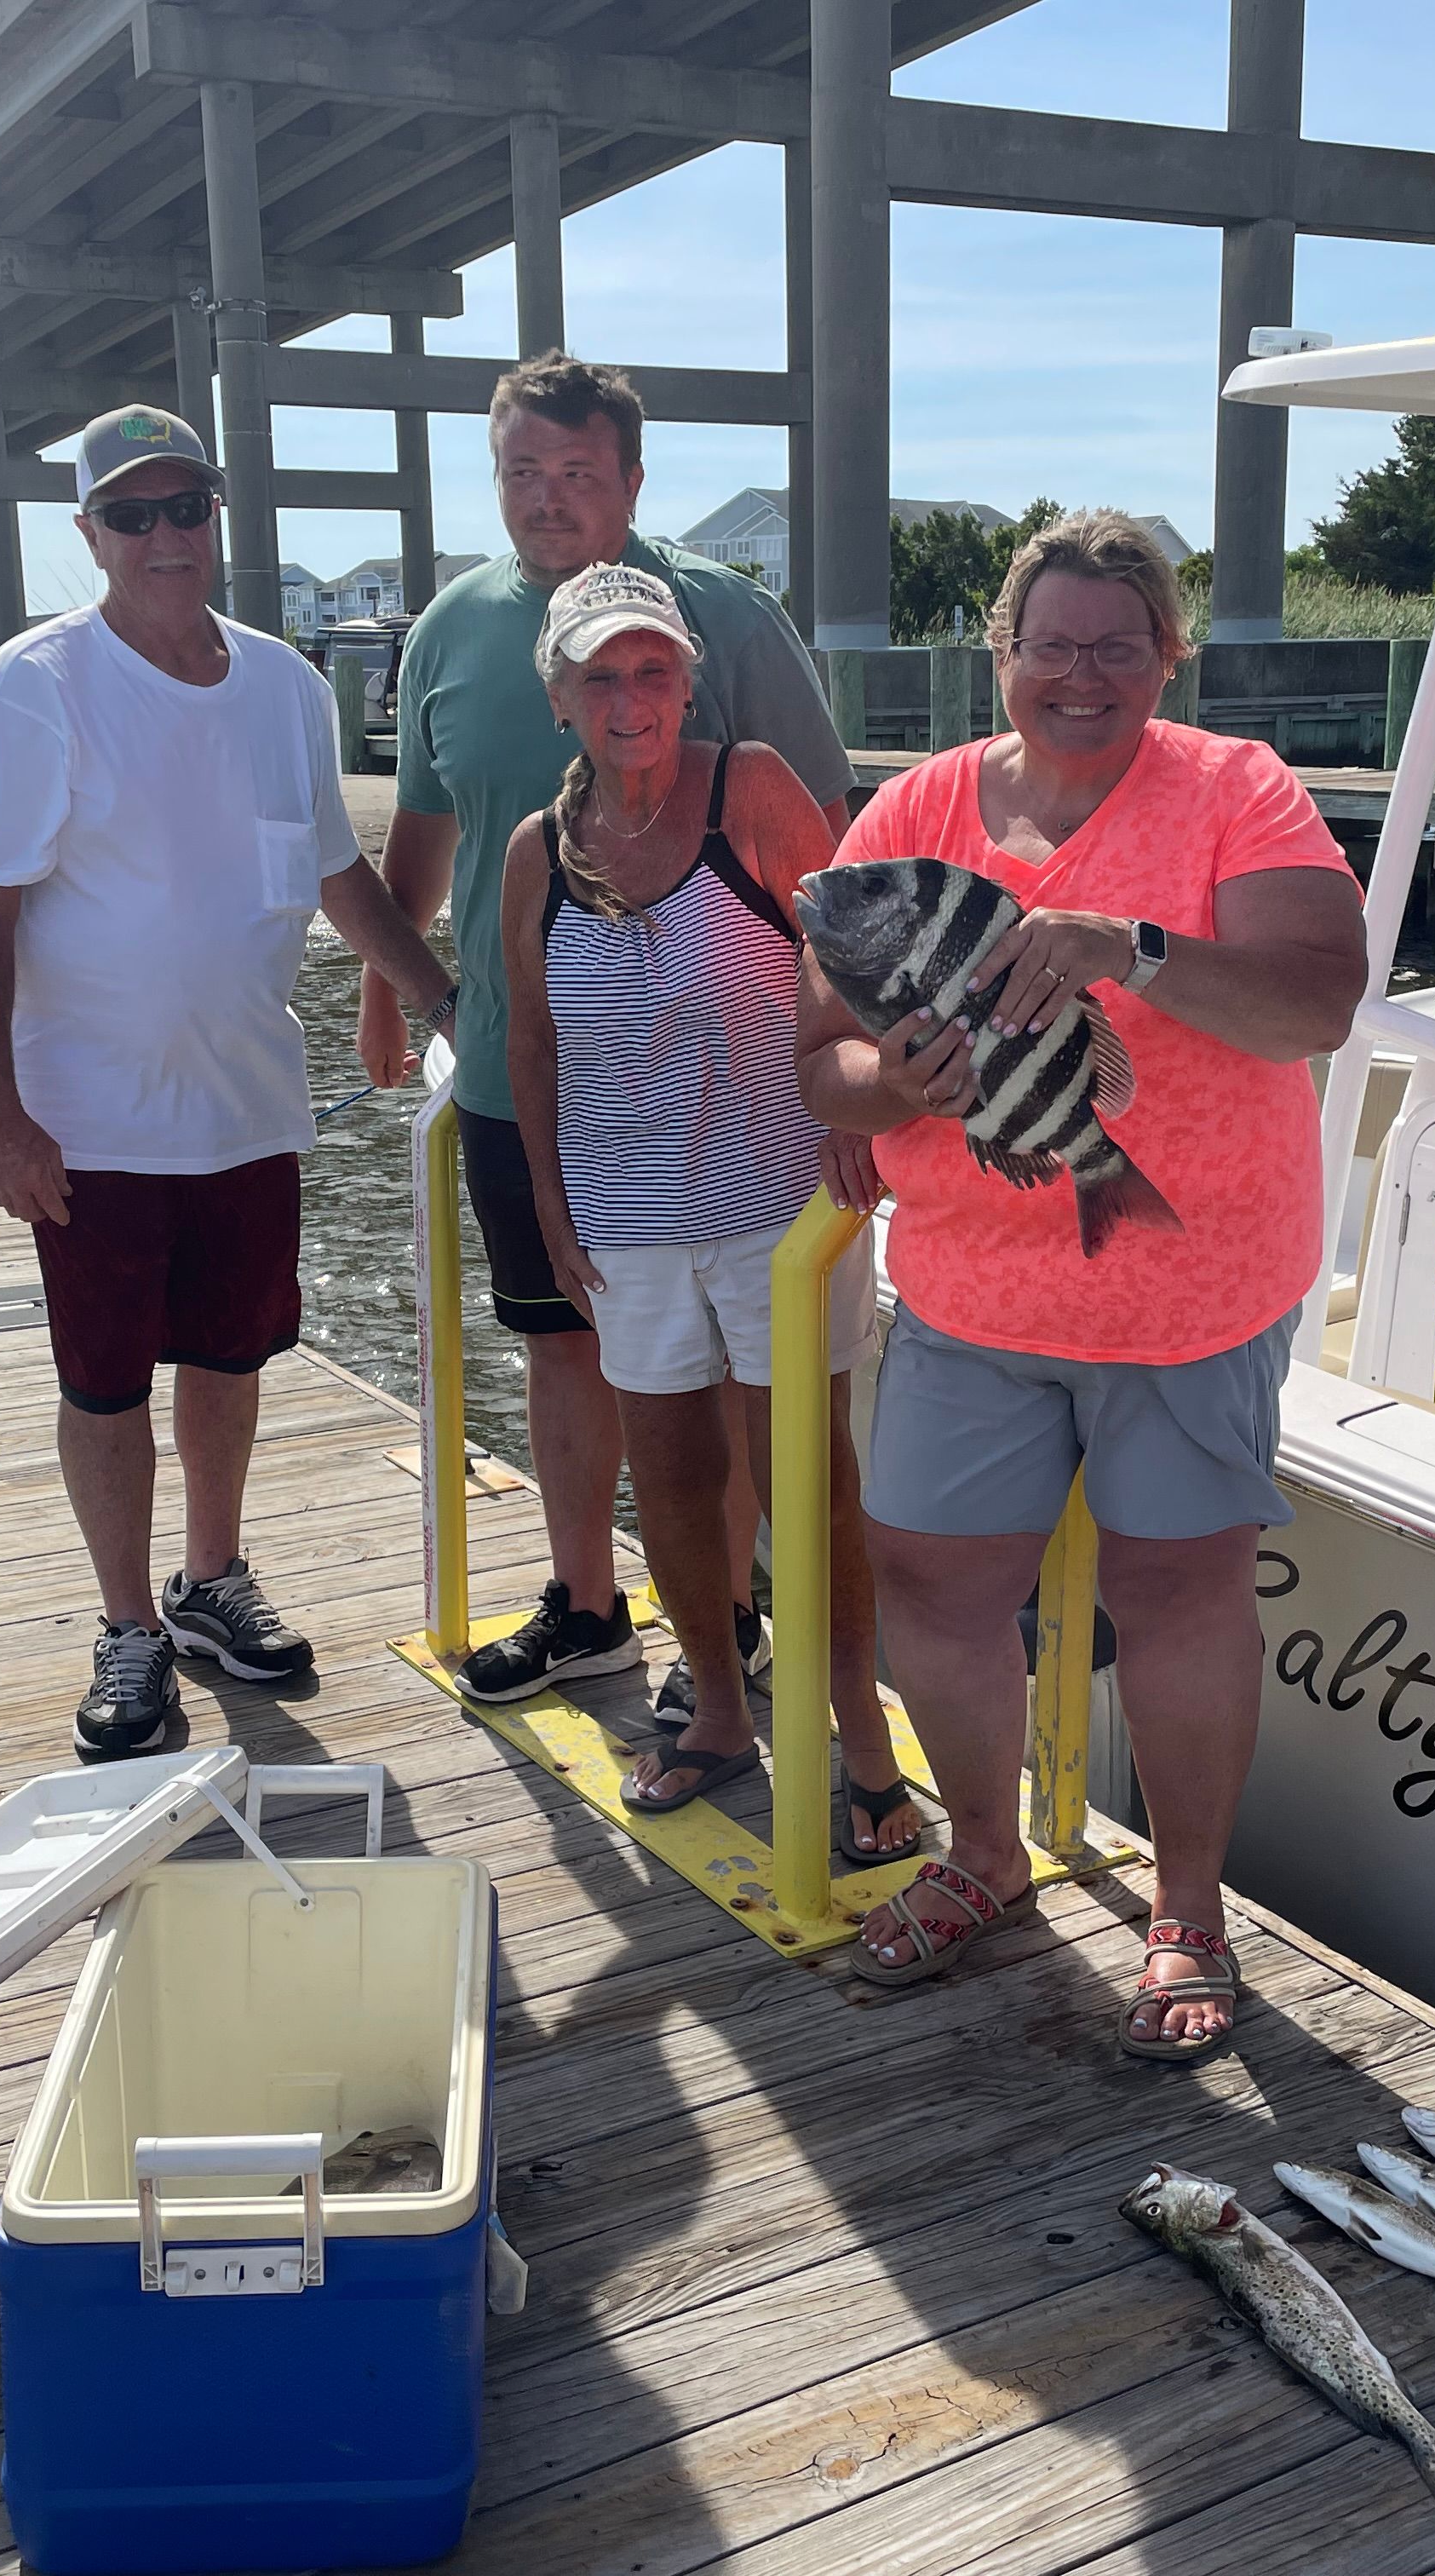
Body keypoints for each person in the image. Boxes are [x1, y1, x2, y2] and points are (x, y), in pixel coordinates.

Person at [797, 509, 1369, 2060]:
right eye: (1052, 644)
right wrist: (888, 1083)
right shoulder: (914, 808)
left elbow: (1319, 997)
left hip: (1192, 1294)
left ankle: (1187, 1911)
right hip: (974, 1296)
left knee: (1177, 1593)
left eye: (1120, 646)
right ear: (1002, 655)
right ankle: (983, 1856)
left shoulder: (1238, 792)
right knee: (927, 1576)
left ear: (1168, 658)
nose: (1083, 674)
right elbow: (822, 1065)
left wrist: (1137, 949)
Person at [0, 407, 464, 1759]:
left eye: (188, 507)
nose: (167, 536)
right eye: (135, 516)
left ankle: (211, 1579)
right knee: (107, 1381)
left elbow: (336, 873)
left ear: (218, 513)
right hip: (91, 1118)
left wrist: (437, 992)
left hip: (245, 1104)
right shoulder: (35, 684)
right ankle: (126, 1624)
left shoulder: (288, 684)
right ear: (90, 535)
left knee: (231, 1359)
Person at [363, 356, 858, 1713]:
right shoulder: (450, 628)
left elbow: (836, 854)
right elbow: (425, 827)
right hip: (534, 1080)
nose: (548, 497)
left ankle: (742, 1609)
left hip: (733, 1098)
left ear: (633, 481)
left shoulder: (724, 621)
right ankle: (589, 1603)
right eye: (523, 470)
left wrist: (854, 1078)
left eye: (579, 471)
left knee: (749, 1383)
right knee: (562, 1337)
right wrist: (388, 994)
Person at [500, 566, 916, 1855]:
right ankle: (722, 1711)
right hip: (626, 1219)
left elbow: (858, 941)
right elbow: (529, 1034)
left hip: (777, 1202)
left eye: (653, 671)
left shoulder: (749, 789)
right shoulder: (536, 850)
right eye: (602, 677)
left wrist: (857, 1110)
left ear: (687, 678)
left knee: (809, 1483)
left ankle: (861, 1739)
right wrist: (556, 1214)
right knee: (671, 1481)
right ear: (561, 697)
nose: (632, 700)